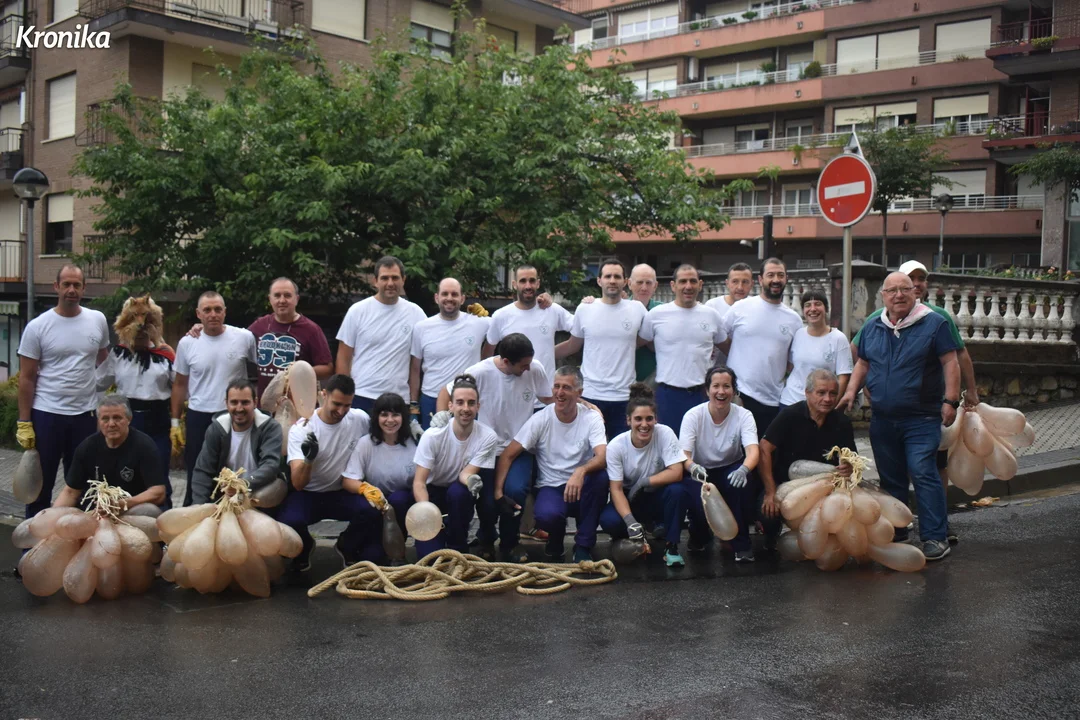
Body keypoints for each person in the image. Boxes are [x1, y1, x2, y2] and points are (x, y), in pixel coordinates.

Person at [851, 259, 978, 545]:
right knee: (891, 477)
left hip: (921, 417)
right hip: (883, 418)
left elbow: (953, 360)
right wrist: (856, 390)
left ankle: (935, 536)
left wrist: (951, 400)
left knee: (923, 471)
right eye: (892, 290)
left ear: (915, 291)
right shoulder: (874, 323)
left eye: (906, 288)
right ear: (883, 295)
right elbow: (861, 359)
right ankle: (897, 530)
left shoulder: (935, 320)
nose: (899, 295)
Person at [436, 333, 552, 561]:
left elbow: (548, 398)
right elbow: (446, 391)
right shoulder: (480, 372)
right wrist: (442, 420)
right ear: (506, 361)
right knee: (487, 500)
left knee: (515, 491)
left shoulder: (534, 368)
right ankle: (487, 538)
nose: (528, 369)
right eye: (523, 365)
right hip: (486, 447)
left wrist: (581, 403)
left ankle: (510, 543)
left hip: (518, 446)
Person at [16, 264, 111, 519]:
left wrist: (106, 398)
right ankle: (34, 540)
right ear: (56, 287)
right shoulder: (37, 326)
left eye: (76, 285)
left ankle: (76, 537)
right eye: (66, 284)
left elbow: (104, 360)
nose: (71, 290)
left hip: (84, 415)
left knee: (83, 483)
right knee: (40, 485)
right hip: (47, 414)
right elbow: (26, 378)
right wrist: (24, 422)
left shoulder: (97, 320)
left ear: (84, 288)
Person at [494, 366, 608, 562]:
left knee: (601, 478)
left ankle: (583, 546)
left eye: (566, 387)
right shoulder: (541, 419)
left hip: (581, 485)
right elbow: (508, 455)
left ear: (579, 393)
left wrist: (580, 471)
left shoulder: (591, 417)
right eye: (556, 386)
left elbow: (603, 456)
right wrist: (497, 491)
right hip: (551, 486)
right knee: (547, 515)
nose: (559, 393)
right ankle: (555, 538)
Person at [280, 374, 380, 570]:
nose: (341, 411)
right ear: (323, 395)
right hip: (309, 494)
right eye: (337, 404)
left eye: (347, 405)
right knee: (289, 520)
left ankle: (346, 545)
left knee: (372, 509)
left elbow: (383, 431)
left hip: (341, 491)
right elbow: (298, 483)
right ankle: (305, 547)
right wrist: (309, 460)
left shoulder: (359, 419)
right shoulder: (302, 429)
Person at [171, 291, 257, 506]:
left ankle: (234, 513)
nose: (213, 314)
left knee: (232, 472)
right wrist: (175, 422)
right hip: (199, 415)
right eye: (207, 310)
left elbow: (260, 373)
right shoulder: (187, 343)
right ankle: (193, 514)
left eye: (218, 309)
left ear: (225, 312)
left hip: (234, 415)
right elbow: (180, 384)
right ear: (198, 314)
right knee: (197, 472)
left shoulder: (244, 338)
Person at [184, 278, 334, 397]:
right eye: (277, 295)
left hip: (298, 405)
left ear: (297, 299)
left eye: (287, 295)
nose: (282, 300)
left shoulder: (311, 329)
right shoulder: (260, 325)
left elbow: (327, 369)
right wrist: (205, 327)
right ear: (270, 299)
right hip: (265, 405)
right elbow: (231, 338)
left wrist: (298, 372)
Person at [759, 369, 857, 547]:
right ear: (807, 393)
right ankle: (771, 538)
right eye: (821, 393)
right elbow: (764, 448)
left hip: (825, 486)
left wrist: (849, 467)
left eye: (833, 393)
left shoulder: (842, 422)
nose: (827, 399)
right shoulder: (790, 415)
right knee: (768, 514)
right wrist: (770, 492)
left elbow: (852, 459)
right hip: (785, 484)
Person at [598, 383, 692, 567]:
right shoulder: (616, 446)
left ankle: (671, 547)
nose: (644, 424)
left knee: (678, 491)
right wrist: (630, 521)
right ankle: (632, 535)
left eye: (649, 419)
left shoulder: (665, 433)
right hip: (629, 498)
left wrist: (644, 482)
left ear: (656, 419)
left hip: (656, 494)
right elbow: (616, 489)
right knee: (609, 521)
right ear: (628, 421)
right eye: (638, 419)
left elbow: (677, 472)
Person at [97, 296, 176, 508]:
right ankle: (120, 515)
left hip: (158, 420)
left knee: (159, 472)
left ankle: (163, 521)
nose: (140, 328)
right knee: (125, 472)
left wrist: (177, 422)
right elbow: (98, 382)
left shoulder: (165, 354)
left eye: (146, 323)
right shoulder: (118, 354)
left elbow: (181, 387)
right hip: (126, 420)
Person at [555, 258, 646, 439]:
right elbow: (573, 345)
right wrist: (540, 354)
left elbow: (647, 339)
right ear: (599, 281)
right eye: (608, 276)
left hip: (624, 397)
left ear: (625, 281)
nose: (612, 280)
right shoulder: (585, 308)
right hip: (589, 396)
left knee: (621, 451)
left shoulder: (638, 309)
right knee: (588, 451)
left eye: (617, 277)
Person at [412, 374, 499, 557]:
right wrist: (427, 513)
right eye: (460, 402)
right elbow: (419, 483)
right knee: (429, 556)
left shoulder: (488, 436)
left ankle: (459, 548)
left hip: (458, 493)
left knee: (459, 493)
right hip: (431, 493)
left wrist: (472, 481)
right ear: (450, 406)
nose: (465, 408)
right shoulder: (432, 436)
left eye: (471, 403)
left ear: (478, 406)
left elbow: (465, 474)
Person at [680, 366, 760, 563]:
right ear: (707, 390)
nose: (721, 392)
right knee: (698, 504)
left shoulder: (744, 415)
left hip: (730, 467)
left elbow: (753, 451)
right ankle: (699, 536)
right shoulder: (693, 415)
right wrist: (692, 467)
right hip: (700, 470)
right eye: (716, 386)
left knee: (740, 487)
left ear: (734, 390)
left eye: (726, 386)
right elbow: (684, 455)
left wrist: (744, 469)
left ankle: (741, 544)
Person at [719, 257, 802, 440]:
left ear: (786, 278)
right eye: (770, 275)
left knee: (766, 451)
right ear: (760, 279)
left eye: (780, 275)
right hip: (739, 396)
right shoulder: (741, 307)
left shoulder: (794, 319)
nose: (776, 279)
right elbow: (719, 337)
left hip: (773, 399)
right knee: (735, 450)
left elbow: (793, 361)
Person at [638, 264, 727, 434]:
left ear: (700, 284)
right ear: (673, 285)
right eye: (683, 281)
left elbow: (729, 348)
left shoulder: (712, 315)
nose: (688, 286)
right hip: (667, 395)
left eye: (693, 281)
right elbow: (633, 344)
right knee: (668, 443)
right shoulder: (656, 315)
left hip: (702, 394)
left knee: (701, 444)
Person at [335, 256, 426, 411]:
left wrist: (413, 403)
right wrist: (344, 398)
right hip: (361, 396)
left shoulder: (416, 313)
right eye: (384, 278)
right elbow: (343, 358)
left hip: (399, 399)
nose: (390, 283)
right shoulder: (357, 311)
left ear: (403, 280)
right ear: (375, 281)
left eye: (395, 278)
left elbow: (424, 356)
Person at [53, 394, 166, 510]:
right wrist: (53, 514)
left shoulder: (144, 446)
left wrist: (123, 504)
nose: (111, 424)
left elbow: (158, 492)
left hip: (132, 509)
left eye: (117, 418)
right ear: (98, 421)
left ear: (129, 419)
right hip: (97, 511)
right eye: (105, 419)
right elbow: (71, 492)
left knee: (150, 510)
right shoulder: (87, 447)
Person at [409, 278, 490, 430]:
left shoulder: (479, 322)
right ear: (436, 297)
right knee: (433, 444)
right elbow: (414, 369)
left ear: (462, 298)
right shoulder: (421, 328)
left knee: (466, 445)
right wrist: (413, 407)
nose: (449, 298)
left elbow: (507, 324)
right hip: (431, 398)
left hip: (466, 401)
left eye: (454, 294)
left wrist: (540, 302)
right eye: (445, 294)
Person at [189, 380, 283, 505]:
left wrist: (242, 484)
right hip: (225, 497)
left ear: (255, 402)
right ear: (226, 403)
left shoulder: (270, 427)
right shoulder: (217, 429)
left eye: (245, 402)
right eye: (234, 402)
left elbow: (270, 465)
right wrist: (199, 507)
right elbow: (203, 470)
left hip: (257, 493)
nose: (239, 408)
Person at [342, 392, 417, 536]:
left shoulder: (414, 442)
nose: (390, 420)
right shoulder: (365, 443)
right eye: (384, 415)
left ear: (403, 417)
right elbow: (348, 480)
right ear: (376, 417)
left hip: (403, 502)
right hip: (375, 502)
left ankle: (397, 544)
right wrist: (365, 488)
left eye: (395, 415)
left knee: (399, 499)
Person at [485, 264, 573, 385]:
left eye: (532, 281)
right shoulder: (501, 315)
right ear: (514, 284)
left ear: (538, 283)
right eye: (523, 281)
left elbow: (581, 328)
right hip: (511, 390)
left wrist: (590, 303)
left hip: (545, 391)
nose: (528, 286)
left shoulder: (552, 310)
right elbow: (488, 353)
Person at [778, 289, 853, 408]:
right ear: (803, 311)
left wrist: (831, 406)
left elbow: (843, 377)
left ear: (826, 309)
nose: (813, 309)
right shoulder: (797, 334)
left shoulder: (838, 338)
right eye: (808, 305)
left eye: (818, 304)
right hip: (790, 401)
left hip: (820, 405)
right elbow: (790, 367)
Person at [705, 262, 753, 367]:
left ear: (752, 284)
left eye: (745, 282)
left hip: (745, 369)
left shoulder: (756, 308)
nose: (740, 287)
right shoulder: (712, 306)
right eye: (735, 281)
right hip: (714, 371)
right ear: (727, 283)